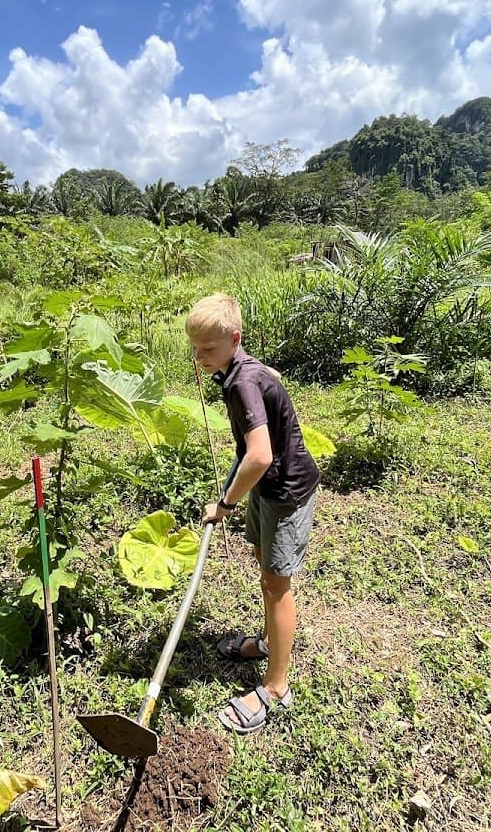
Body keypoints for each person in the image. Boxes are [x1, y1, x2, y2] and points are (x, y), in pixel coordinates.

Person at [186, 293, 320, 735]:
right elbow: (267, 383)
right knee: (266, 570)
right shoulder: (242, 370)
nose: (199, 357)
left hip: (285, 491)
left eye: (207, 348)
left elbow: (259, 455)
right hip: (267, 489)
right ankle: (266, 643)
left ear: (233, 339)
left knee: (276, 583)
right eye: (194, 347)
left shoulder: (243, 382)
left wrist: (224, 504)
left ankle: (277, 687)